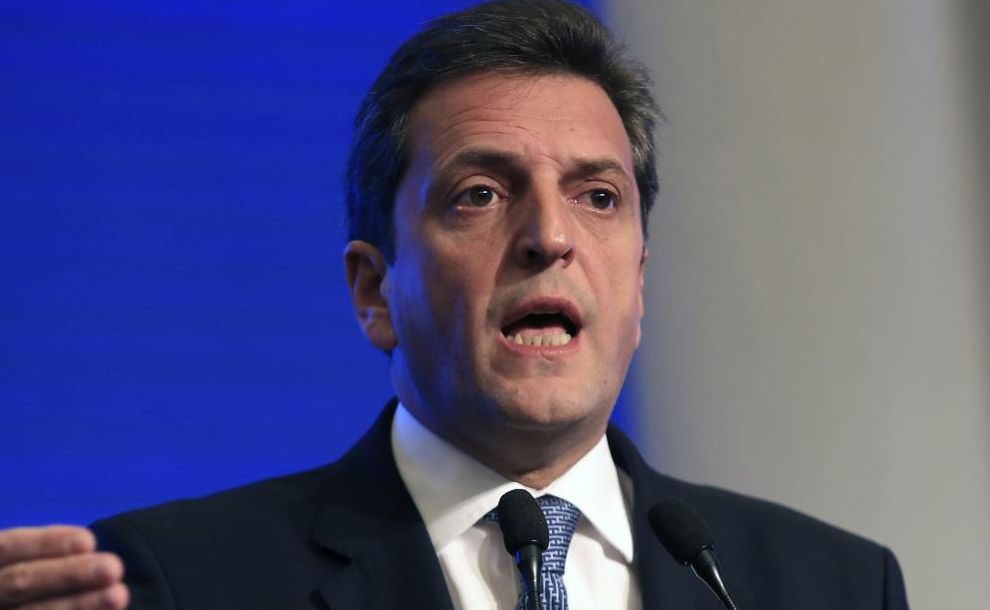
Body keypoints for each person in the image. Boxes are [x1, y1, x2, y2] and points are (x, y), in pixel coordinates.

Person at [0, 1, 910, 609]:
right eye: (480, 193)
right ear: (374, 291)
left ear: (639, 280)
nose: (548, 236)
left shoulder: (829, 586)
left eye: (598, 196)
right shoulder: (184, 582)